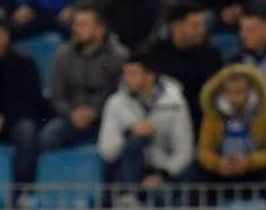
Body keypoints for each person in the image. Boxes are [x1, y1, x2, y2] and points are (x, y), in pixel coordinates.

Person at [98, 53, 194, 195]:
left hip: (162, 171)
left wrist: (162, 175)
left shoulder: (175, 104)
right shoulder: (115, 103)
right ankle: (130, 196)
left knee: (168, 192)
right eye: (125, 74)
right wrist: (130, 132)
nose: (126, 79)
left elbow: (185, 150)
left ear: (150, 76)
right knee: (134, 142)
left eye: (132, 74)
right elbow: (107, 150)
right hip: (123, 172)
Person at [39, 4, 125, 152]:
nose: (76, 29)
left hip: (105, 119)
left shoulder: (117, 57)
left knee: (117, 141)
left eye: (83, 25)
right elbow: (57, 95)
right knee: (48, 136)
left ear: (100, 29)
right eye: (76, 24)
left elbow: (118, 95)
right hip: (70, 117)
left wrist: (94, 113)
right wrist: (72, 113)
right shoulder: (63, 55)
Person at [196, 63, 266, 184]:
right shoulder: (213, 112)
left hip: (256, 168)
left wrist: (250, 162)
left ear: (250, 91)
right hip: (223, 167)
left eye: (239, 92)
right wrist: (218, 164)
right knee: (197, 175)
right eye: (229, 92)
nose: (233, 98)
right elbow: (204, 150)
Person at [145, 1, 224, 132]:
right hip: (163, 116)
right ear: (176, 26)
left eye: (202, 25)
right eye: (194, 26)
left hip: (199, 118)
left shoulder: (211, 55)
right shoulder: (156, 52)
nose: (201, 30)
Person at [0, 11, 45, 192]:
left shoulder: (24, 63)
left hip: (15, 121)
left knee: (27, 130)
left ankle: (23, 192)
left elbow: (33, 103)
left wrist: (6, 117)